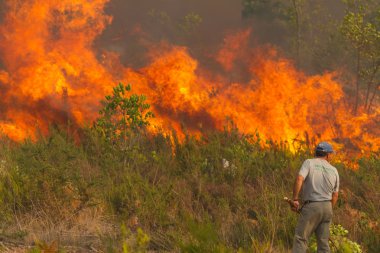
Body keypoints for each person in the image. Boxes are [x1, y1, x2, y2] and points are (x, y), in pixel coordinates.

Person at [291, 142, 339, 253]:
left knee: (301, 239)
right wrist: (328, 209)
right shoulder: (334, 170)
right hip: (327, 207)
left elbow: (299, 179)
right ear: (327, 155)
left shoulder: (309, 163)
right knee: (323, 244)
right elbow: (335, 195)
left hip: (312, 205)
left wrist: (295, 199)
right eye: (331, 154)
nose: (331, 156)